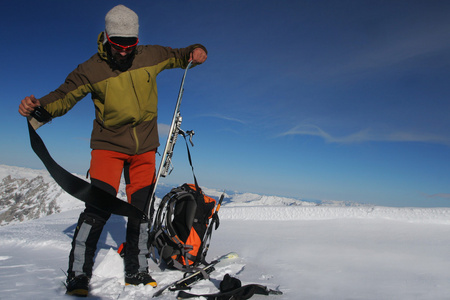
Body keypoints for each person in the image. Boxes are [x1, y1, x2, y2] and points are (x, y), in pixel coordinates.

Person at [18, 4, 207, 297]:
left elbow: (183, 55)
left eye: (129, 44)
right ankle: (78, 275)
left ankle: (137, 269)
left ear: (137, 39)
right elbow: (63, 97)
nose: (123, 51)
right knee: (98, 208)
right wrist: (37, 109)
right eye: (117, 44)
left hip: (145, 148)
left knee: (140, 211)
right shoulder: (91, 69)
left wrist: (197, 50)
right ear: (107, 37)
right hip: (108, 147)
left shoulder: (151, 55)